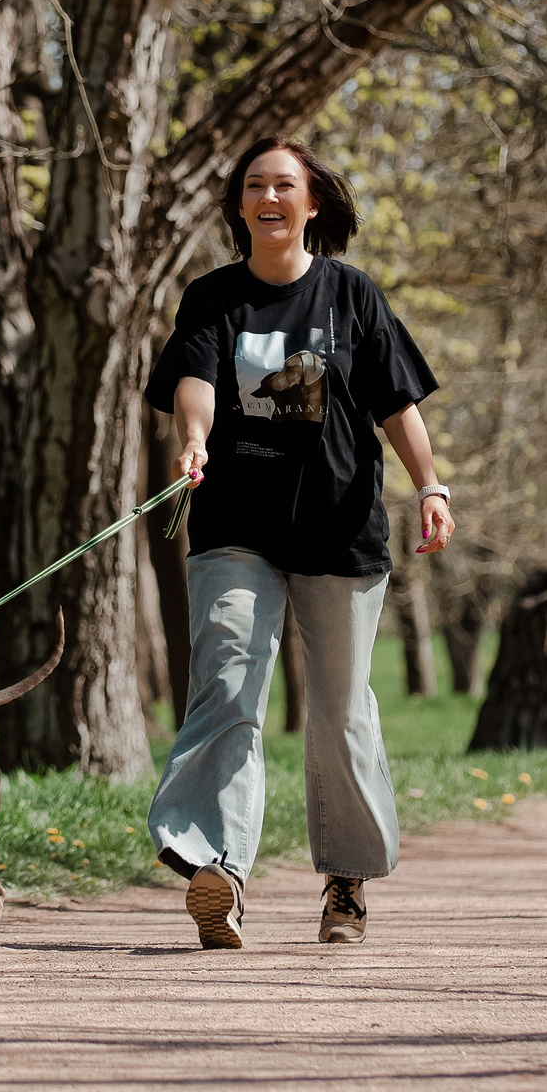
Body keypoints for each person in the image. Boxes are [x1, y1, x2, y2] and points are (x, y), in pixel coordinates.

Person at [143, 136, 456, 949]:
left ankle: (345, 882)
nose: (269, 196)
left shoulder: (353, 297)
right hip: (236, 530)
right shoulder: (212, 297)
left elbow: (397, 404)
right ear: (240, 205)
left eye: (285, 184)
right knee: (226, 684)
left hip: (339, 529)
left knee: (342, 712)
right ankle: (219, 868)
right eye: (254, 185)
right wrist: (194, 440)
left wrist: (430, 485)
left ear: (312, 202)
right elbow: (196, 380)